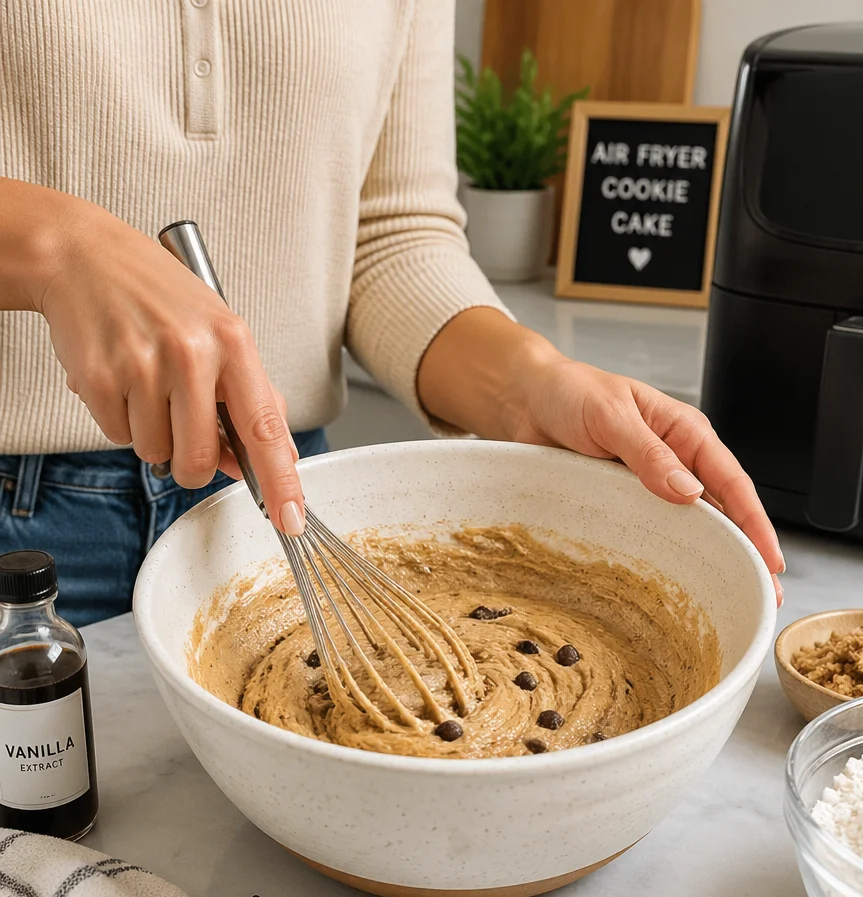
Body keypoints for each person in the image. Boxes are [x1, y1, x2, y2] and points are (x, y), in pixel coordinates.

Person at [0, 2, 784, 628]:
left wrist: (530, 381)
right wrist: (58, 247)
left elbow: (390, 236)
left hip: (282, 492)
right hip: (20, 519)